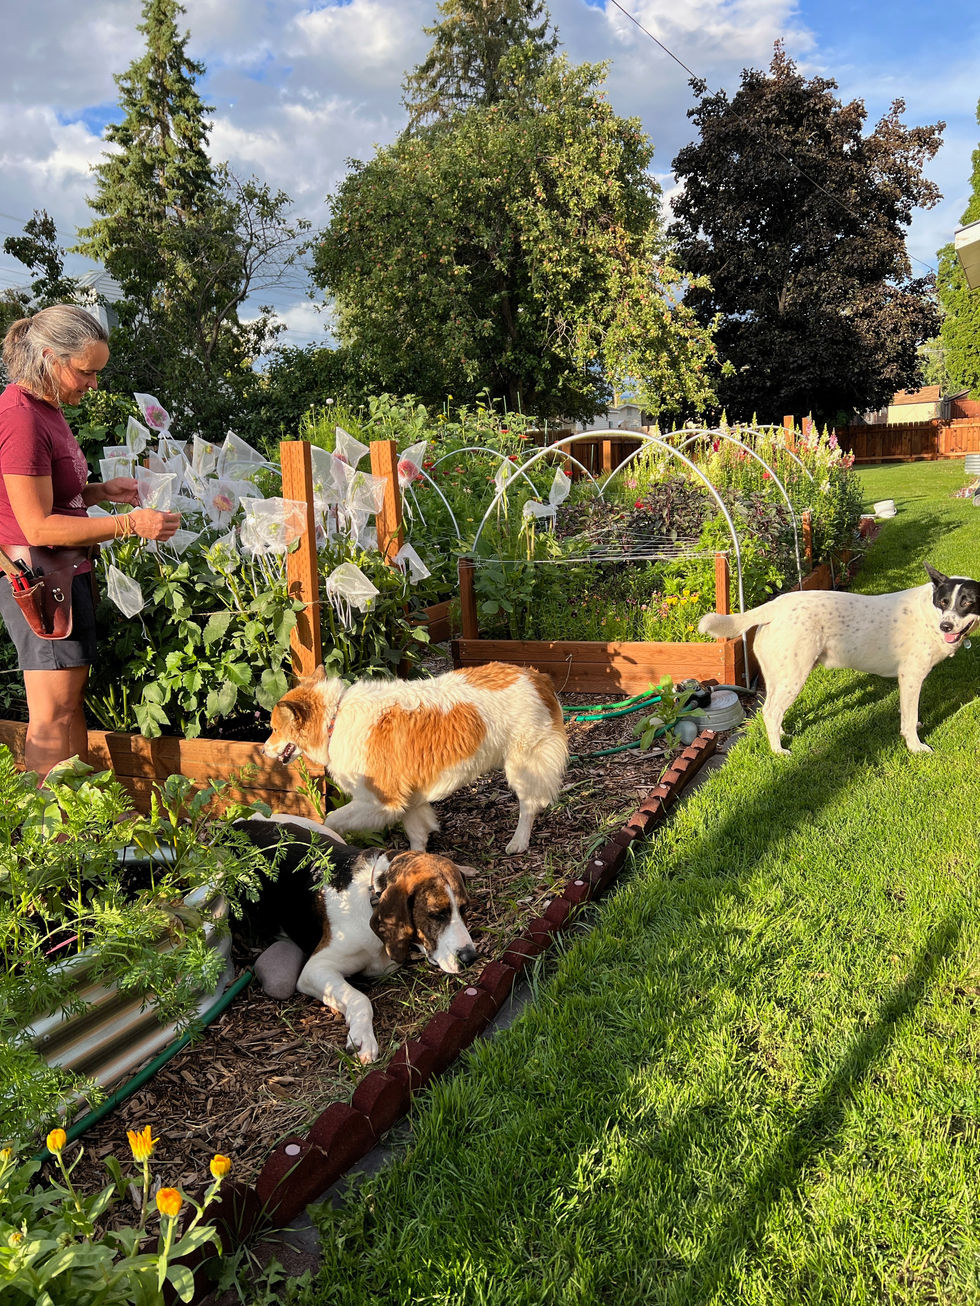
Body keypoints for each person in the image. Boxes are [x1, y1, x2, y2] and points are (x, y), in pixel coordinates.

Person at [0, 305, 180, 778]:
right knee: (52, 717)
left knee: (68, 706)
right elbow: (36, 526)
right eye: (86, 372)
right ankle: (52, 840)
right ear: (47, 358)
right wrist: (130, 524)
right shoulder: (20, 417)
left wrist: (98, 492)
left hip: (62, 573)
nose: (93, 384)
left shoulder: (48, 409)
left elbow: (51, 493)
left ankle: (77, 829)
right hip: (38, 579)